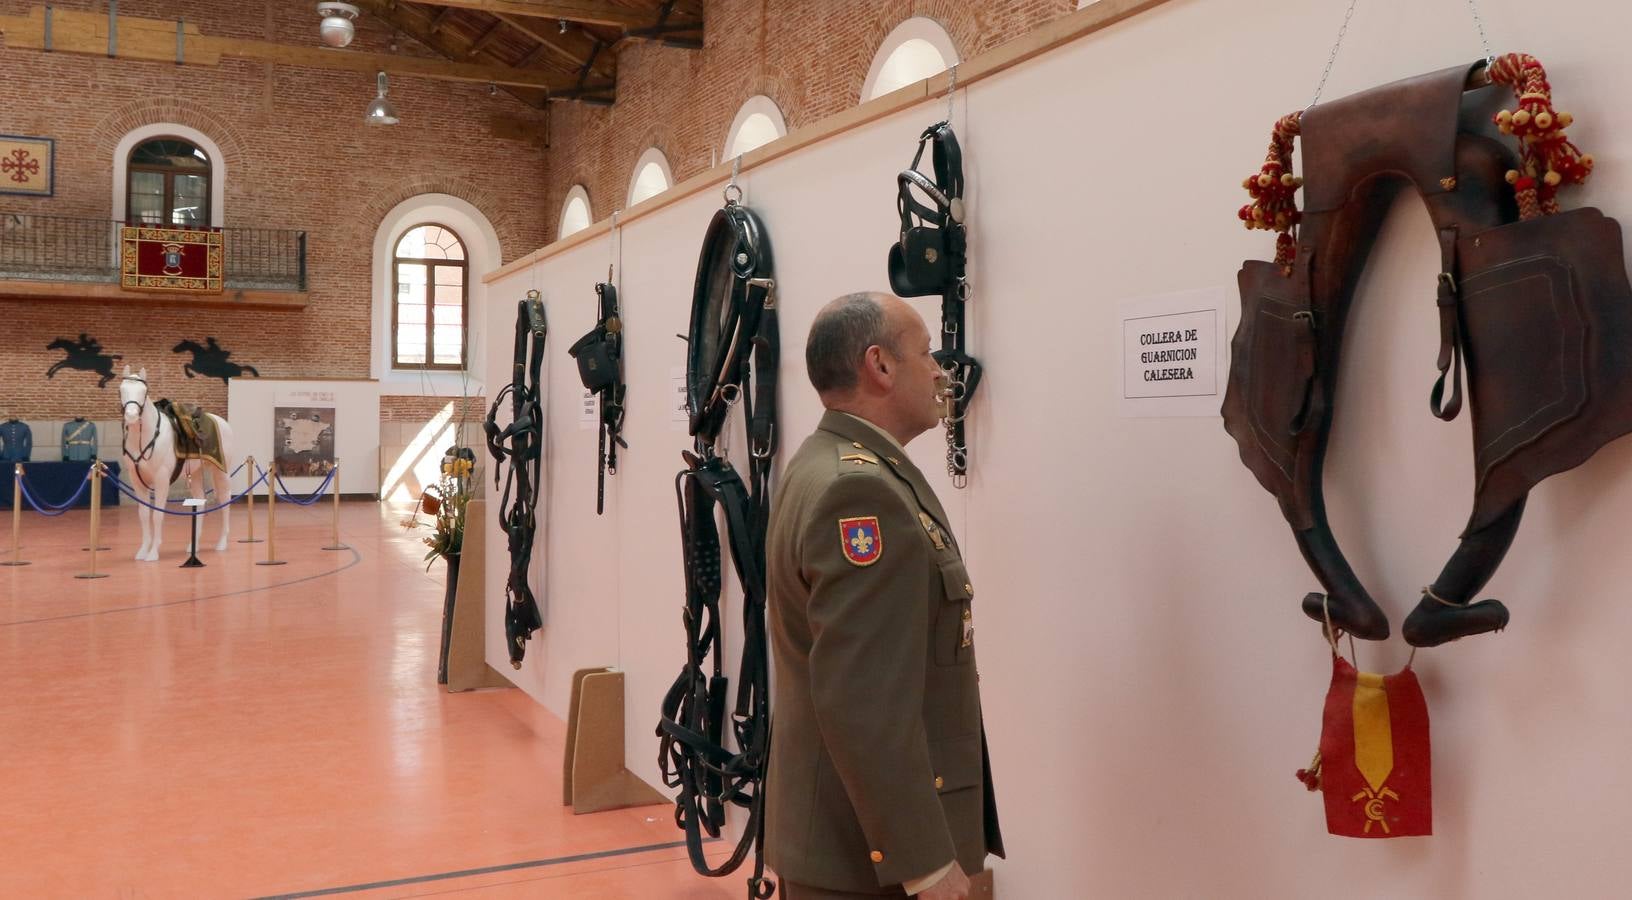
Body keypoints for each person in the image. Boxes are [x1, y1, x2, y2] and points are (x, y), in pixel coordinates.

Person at [766, 292, 1002, 900]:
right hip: (865, 864)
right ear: (881, 366)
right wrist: (923, 862)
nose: (939, 371)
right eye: (926, 353)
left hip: (844, 842)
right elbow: (863, 698)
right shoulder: (860, 493)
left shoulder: (825, 465)